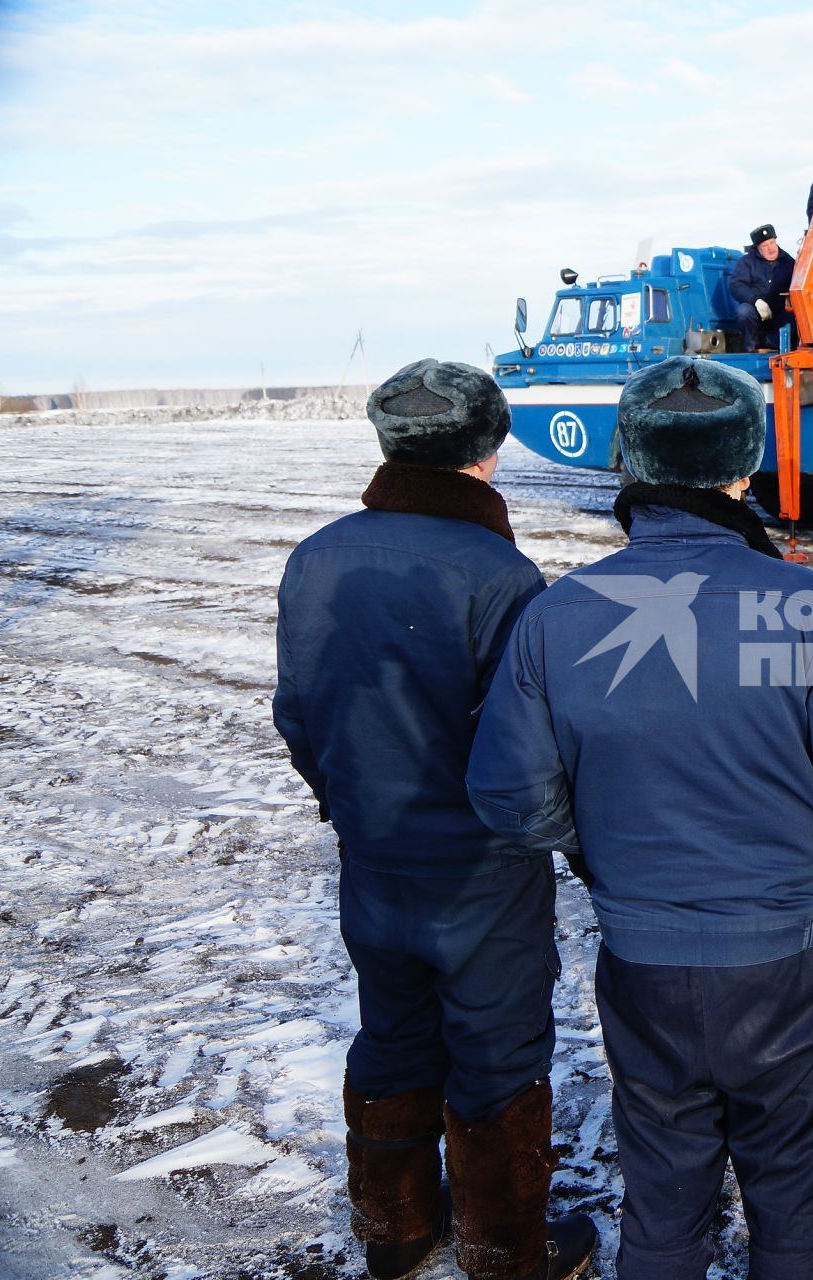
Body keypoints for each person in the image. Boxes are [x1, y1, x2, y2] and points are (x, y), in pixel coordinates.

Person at [465, 355, 813, 1279]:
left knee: (663, 1195)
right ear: (741, 470)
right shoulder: (798, 603)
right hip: (787, 959)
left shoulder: (558, 615)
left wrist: (596, 850)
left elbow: (511, 796)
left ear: (630, 464)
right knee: (795, 1193)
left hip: (642, 958)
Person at [272, 359, 597, 1280]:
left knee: (393, 1034)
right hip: (480, 870)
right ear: (488, 452)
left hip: (373, 855)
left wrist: (352, 808)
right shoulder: (499, 572)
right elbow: (527, 746)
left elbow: (298, 712)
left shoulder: (317, 556)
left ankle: (397, 1232)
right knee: (496, 1054)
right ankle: (506, 1252)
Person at [728, 223, 796, 353]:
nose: (770, 248)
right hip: (756, 312)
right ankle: (750, 349)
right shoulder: (746, 262)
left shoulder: (789, 262)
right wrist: (756, 301)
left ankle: (778, 348)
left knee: (796, 316)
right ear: (758, 248)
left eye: (772, 243)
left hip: (780, 312)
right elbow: (736, 285)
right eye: (765, 245)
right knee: (743, 312)